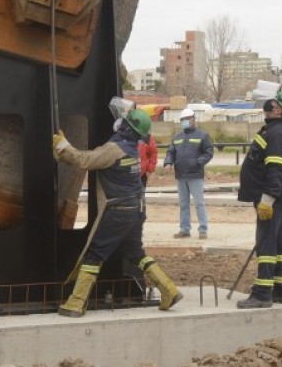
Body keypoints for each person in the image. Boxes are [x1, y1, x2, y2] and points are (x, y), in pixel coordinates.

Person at [52, 107, 182, 317]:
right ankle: (169, 289)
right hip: (136, 208)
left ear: (126, 128)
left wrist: (63, 146)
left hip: (119, 211)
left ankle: (76, 303)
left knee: (95, 253)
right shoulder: (132, 149)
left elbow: (85, 160)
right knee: (136, 253)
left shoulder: (115, 149)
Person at [236, 87, 282, 308]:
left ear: (279, 112)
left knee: (266, 244)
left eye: (276, 103)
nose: (270, 104)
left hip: (271, 198)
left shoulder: (276, 133)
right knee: (279, 242)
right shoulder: (275, 130)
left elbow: (275, 169)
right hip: (275, 196)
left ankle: (262, 294)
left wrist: (268, 199)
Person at [163, 107, 214, 239]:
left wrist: (198, 162)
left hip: (195, 175)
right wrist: (168, 162)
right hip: (181, 175)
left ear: (193, 119)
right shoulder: (177, 137)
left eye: (187, 119)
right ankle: (184, 229)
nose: (185, 121)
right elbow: (171, 152)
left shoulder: (202, 135)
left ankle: (203, 229)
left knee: (199, 203)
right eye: (182, 120)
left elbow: (208, 152)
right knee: (184, 204)